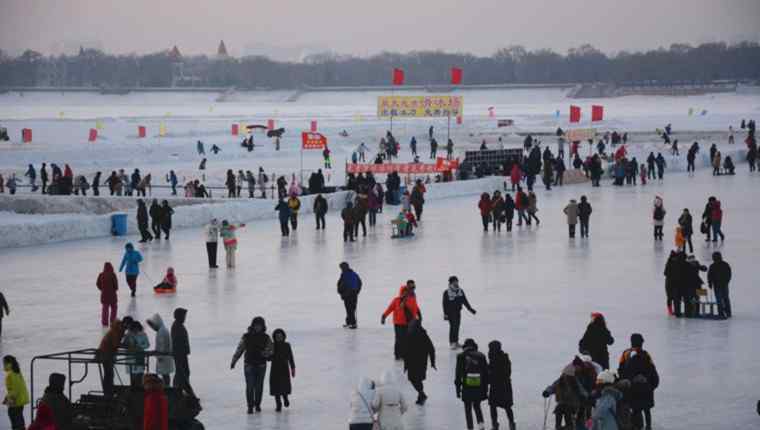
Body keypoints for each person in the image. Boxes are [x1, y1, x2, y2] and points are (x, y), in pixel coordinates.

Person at [231, 316, 273, 414]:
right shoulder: (246, 336)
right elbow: (240, 349)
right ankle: (250, 406)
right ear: (253, 325)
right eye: (256, 325)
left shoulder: (266, 337)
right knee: (250, 386)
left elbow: (271, 349)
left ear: (263, 326)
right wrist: (234, 360)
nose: (258, 327)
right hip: (249, 365)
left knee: (259, 386)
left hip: (261, 365)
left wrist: (265, 353)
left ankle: (257, 404)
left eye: (260, 325)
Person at [618, 333, 660, 430]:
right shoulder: (646, 354)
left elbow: (621, 370)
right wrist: (652, 385)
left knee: (635, 409)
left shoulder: (626, 354)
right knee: (647, 410)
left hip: (633, 388)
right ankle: (648, 427)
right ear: (641, 343)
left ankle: (635, 427)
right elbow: (653, 371)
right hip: (646, 388)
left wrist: (625, 384)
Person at [455, 339, 489, 430]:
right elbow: (486, 375)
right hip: (479, 387)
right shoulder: (481, 356)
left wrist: (458, 390)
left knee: (468, 409)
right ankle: (481, 427)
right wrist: (485, 391)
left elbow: (458, 375)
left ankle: (470, 428)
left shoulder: (461, 356)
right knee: (477, 407)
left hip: (466, 387)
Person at [381, 282, 421, 360]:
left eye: (406, 291)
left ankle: (404, 354)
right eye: (403, 291)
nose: (405, 293)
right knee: (399, 339)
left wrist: (418, 317)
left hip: (407, 323)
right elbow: (390, 308)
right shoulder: (396, 300)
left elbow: (415, 309)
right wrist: (384, 316)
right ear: (401, 292)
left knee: (406, 339)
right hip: (398, 323)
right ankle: (397, 354)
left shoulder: (411, 299)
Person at [403, 319, 436, 405]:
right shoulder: (420, 334)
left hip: (415, 362)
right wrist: (432, 362)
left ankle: (421, 394)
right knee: (416, 379)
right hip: (418, 362)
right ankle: (421, 394)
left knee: (414, 379)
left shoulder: (413, 334)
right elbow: (431, 349)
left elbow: (431, 349)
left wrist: (433, 362)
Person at [442, 276, 476, 349]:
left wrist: (470, 309)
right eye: (454, 281)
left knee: (457, 327)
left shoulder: (460, 291)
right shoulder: (446, 292)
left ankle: (456, 342)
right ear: (451, 282)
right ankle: (452, 343)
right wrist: (445, 314)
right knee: (453, 327)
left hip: (458, 311)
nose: (456, 282)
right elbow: (444, 304)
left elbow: (465, 301)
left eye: (457, 281)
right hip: (450, 313)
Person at [487, 341, 515, 430]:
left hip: (499, 386)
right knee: (505, 406)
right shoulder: (503, 358)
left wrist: (490, 376)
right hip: (504, 386)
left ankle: (496, 425)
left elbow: (505, 373)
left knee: (495, 406)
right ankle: (510, 424)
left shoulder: (498, 358)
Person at [96, 319, 125, 398]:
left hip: (107, 354)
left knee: (109, 374)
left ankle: (108, 390)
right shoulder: (114, 332)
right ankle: (108, 391)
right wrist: (127, 346)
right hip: (106, 355)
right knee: (109, 374)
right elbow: (116, 344)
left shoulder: (115, 331)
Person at [269, 328, 296, 412]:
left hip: (284, 369)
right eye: (277, 336)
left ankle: (285, 398)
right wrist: (267, 355)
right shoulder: (272, 345)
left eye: (280, 336)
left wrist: (293, 367)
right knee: (276, 387)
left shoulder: (287, 345)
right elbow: (269, 358)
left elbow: (290, 357)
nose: (279, 338)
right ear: (274, 337)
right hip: (274, 369)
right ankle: (278, 404)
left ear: (283, 337)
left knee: (284, 386)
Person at [171, 308, 195, 398]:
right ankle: (181, 391)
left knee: (183, 372)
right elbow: (177, 343)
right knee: (183, 373)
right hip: (180, 355)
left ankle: (181, 390)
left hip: (181, 354)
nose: (185, 318)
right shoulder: (177, 326)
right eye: (184, 316)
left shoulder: (178, 325)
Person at [146, 313, 174, 386]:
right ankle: (166, 386)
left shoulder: (162, 331)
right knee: (165, 374)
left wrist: (157, 354)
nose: (153, 328)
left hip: (163, 357)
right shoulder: (162, 330)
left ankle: (166, 387)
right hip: (163, 356)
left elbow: (162, 346)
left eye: (153, 325)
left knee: (165, 374)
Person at [3, 355, 28, 430]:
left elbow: (15, 389)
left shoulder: (10, 374)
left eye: (3, 362)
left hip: (15, 402)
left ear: (7, 363)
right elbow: (19, 387)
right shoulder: (17, 372)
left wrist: (8, 401)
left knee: (16, 423)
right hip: (20, 401)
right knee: (19, 421)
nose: (3, 364)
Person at [337, 262, 363, 329]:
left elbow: (341, 285)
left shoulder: (344, 275)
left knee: (349, 309)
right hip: (354, 294)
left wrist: (341, 293)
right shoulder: (354, 274)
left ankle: (353, 324)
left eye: (341, 268)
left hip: (347, 295)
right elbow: (360, 282)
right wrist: (357, 291)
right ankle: (349, 322)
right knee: (352, 308)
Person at [125, 321, 150, 387]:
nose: (135, 331)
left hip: (140, 357)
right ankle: (133, 390)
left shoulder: (143, 334)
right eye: (133, 329)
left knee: (140, 376)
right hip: (130, 359)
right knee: (132, 377)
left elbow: (147, 345)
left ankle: (139, 390)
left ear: (139, 328)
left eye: (137, 329)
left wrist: (140, 347)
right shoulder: (128, 335)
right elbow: (124, 345)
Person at [708, 252, 732, 319]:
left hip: (717, 285)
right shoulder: (725, 264)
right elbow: (729, 274)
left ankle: (721, 313)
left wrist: (710, 283)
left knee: (719, 299)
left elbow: (710, 276)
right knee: (725, 298)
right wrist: (727, 281)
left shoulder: (713, 266)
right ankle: (728, 312)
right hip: (723, 284)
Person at [96, 262, 118, 327]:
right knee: (114, 307)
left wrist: (102, 289)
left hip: (104, 295)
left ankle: (104, 323)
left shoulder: (101, 275)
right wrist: (115, 289)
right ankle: (112, 320)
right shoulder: (113, 275)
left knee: (105, 309)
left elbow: (97, 284)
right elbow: (116, 285)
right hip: (112, 295)